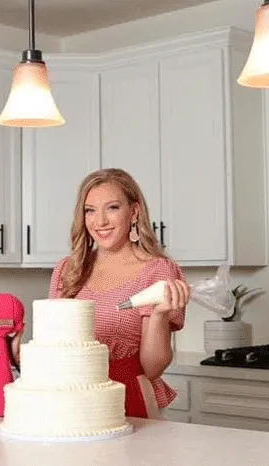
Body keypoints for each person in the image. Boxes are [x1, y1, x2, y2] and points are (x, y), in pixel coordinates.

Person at [11, 168, 190, 419]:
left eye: (112, 208)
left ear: (134, 212)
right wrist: (22, 357)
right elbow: (57, 351)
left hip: (131, 398)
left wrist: (160, 316)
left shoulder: (157, 271)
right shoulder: (68, 270)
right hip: (72, 400)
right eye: (90, 210)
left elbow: (152, 368)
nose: (100, 221)